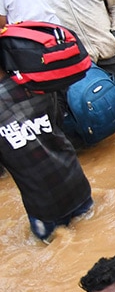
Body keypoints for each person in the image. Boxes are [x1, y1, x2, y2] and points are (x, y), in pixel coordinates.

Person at [0, 71, 92, 240]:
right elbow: (58, 120)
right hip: (78, 185)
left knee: (50, 250)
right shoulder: (35, 80)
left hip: (44, 207)